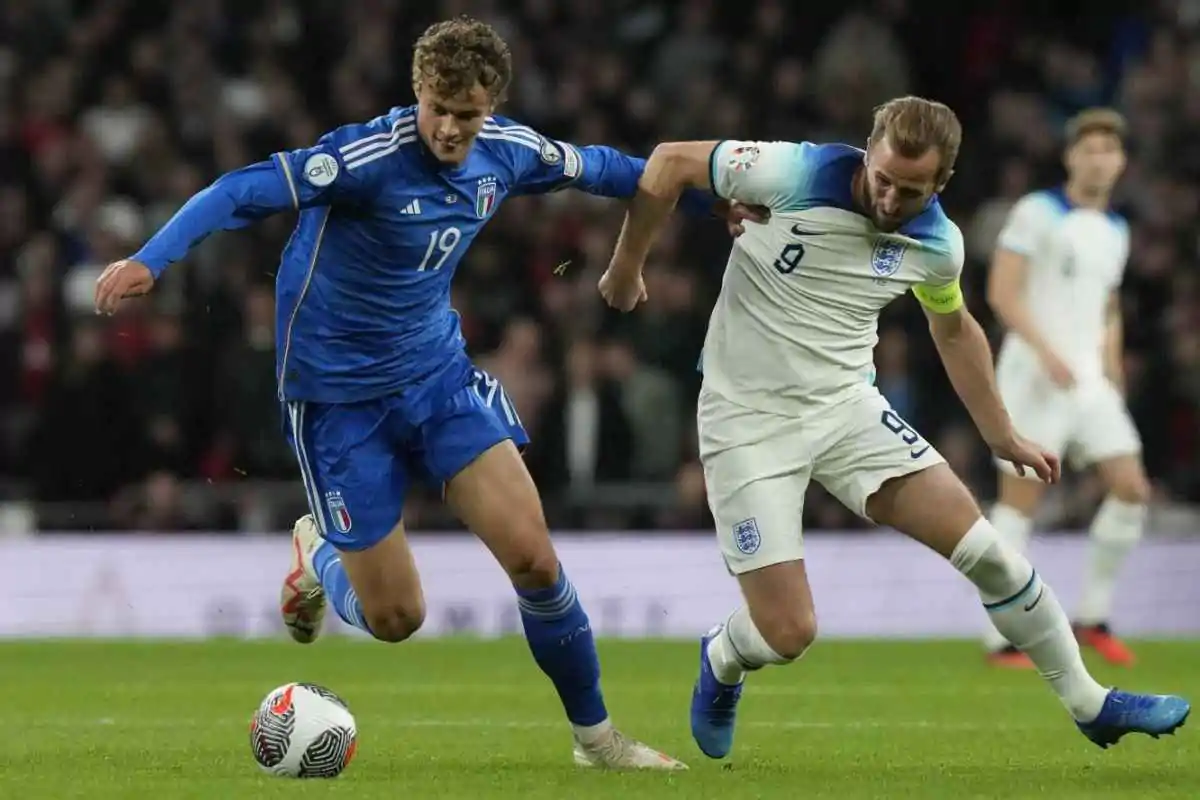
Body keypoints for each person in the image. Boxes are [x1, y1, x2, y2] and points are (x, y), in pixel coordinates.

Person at [93, 15, 761, 771]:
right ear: (418, 93)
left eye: (466, 114)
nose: (448, 128)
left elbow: (612, 169)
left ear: (491, 106)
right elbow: (240, 191)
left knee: (536, 560)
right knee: (398, 617)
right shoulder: (365, 157)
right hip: (338, 400)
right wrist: (153, 258)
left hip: (436, 377)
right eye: (437, 109)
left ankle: (597, 741)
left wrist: (713, 205)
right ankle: (319, 555)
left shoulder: (506, 153)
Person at [598, 96, 1190, 760]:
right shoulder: (793, 172)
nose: (889, 196)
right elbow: (670, 162)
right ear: (870, 146)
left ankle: (1091, 704)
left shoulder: (938, 243)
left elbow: (953, 328)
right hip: (747, 421)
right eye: (882, 176)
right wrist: (628, 265)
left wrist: (1001, 434)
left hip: (848, 409)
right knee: (789, 632)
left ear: (940, 185)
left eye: (910, 190)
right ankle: (724, 654)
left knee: (989, 552)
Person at [983, 109, 1147, 669]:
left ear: (1121, 162)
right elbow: (1002, 292)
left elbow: (1107, 305)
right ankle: (1003, 637)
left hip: (1088, 379)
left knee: (1131, 488)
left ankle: (1093, 617)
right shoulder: (1037, 213)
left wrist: (1112, 368)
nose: (1100, 158)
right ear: (1070, 156)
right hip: (1034, 372)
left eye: (1110, 149)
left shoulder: (1115, 230)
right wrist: (1045, 351)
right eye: (1090, 148)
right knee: (1021, 502)